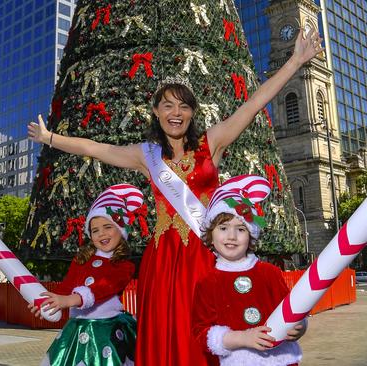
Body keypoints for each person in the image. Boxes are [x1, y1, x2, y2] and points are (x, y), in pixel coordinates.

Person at [28, 28, 323, 366]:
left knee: (206, 326)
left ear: (192, 112)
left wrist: (296, 60)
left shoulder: (212, 143)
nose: (176, 112)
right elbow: (97, 148)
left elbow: (253, 104)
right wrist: (51, 138)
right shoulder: (147, 155)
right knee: (166, 332)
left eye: (183, 106)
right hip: (163, 259)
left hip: (203, 254)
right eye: (167, 106)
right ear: (155, 111)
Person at [192, 174, 307, 366]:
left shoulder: (269, 273)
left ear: (251, 236)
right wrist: (242, 339)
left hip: (279, 361)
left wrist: (299, 327)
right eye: (223, 228)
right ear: (210, 234)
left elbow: (291, 309)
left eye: (241, 229)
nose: (232, 236)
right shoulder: (207, 282)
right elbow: (201, 334)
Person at [29, 184, 142, 366]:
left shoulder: (124, 266)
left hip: (106, 330)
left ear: (121, 231)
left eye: (108, 227)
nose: (101, 234)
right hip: (77, 327)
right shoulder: (81, 259)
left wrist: (69, 301)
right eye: (95, 230)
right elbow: (67, 285)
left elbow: (104, 287)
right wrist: (50, 302)